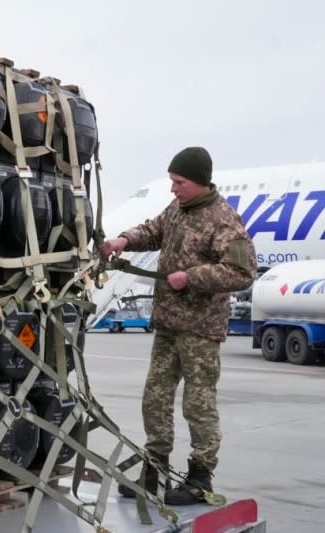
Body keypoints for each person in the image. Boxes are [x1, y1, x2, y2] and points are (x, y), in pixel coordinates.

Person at [100, 146, 257, 505]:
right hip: (169, 324)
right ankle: (154, 467)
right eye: (172, 181)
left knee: (198, 405)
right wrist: (123, 240)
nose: (173, 188)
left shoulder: (224, 221)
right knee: (154, 398)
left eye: (179, 182)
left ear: (200, 182)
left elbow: (242, 271)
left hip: (200, 329)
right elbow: (153, 230)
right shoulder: (178, 210)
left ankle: (200, 477)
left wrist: (192, 277)